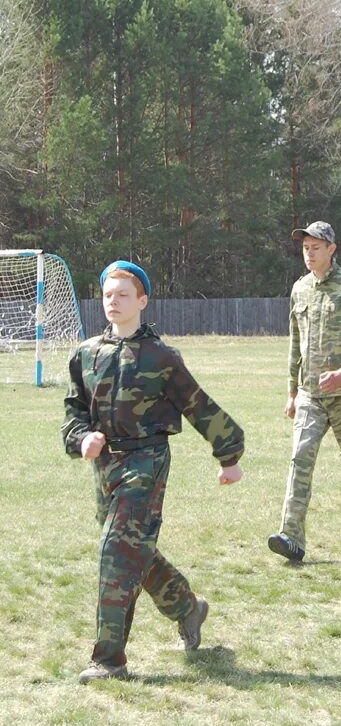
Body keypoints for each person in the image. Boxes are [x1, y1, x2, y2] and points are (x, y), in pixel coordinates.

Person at [63, 261, 244, 684]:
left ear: (142, 300)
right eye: (108, 294)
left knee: (116, 554)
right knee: (132, 550)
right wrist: (81, 439)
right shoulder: (86, 354)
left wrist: (229, 457)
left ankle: (109, 660)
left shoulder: (162, 357)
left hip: (146, 460)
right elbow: (73, 412)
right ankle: (187, 607)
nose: (114, 301)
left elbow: (200, 407)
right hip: (105, 467)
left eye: (123, 294)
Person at [269, 221, 341, 563]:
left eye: (316, 247)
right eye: (305, 248)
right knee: (300, 458)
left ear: (332, 249)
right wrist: (292, 391)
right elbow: (296, 345)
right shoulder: (300, 289)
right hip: (309, 394)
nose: (309, 253)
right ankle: (291, 535)